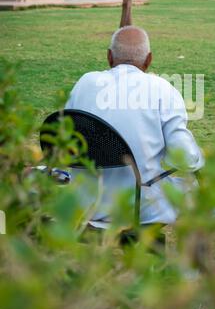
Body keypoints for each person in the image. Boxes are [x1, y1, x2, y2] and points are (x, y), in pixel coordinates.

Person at [65, 26, 204, 226]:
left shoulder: (84, 83)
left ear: (109, 57)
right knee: (200, 192)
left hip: (83, 203)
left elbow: (65, 141)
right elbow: (186, 159)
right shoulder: (162, 89)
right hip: (140, 208)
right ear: (148, 60)